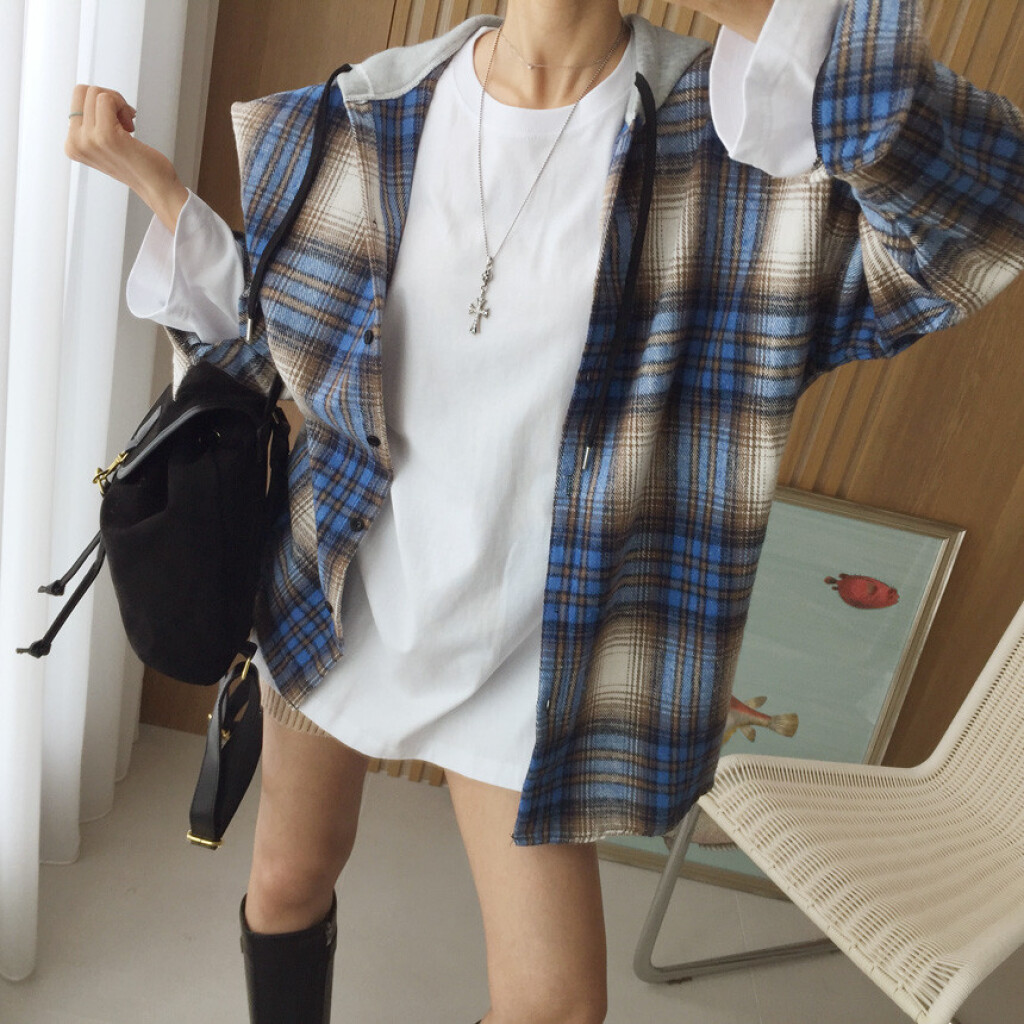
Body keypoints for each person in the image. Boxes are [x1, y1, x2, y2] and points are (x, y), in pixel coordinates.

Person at [65, 0, 1024, 1021]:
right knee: (287, 880)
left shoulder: (740, 154)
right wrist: (160, 191)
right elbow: (268, 339)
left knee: (556, 1005)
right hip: (345, 593)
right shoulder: (360, 113)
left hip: (547, 649)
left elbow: (985, 216)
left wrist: (764, 12)